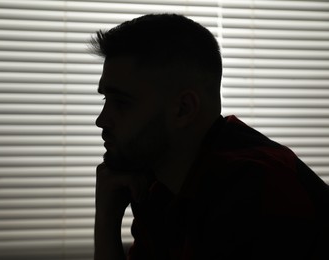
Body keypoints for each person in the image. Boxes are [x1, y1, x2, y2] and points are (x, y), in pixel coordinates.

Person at [90, 13, 329, 260]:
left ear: (184, 109)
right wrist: (106, 222)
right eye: (106, 99)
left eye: (121, 102)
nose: (101, 120)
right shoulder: (155, 182)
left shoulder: (260, 191)